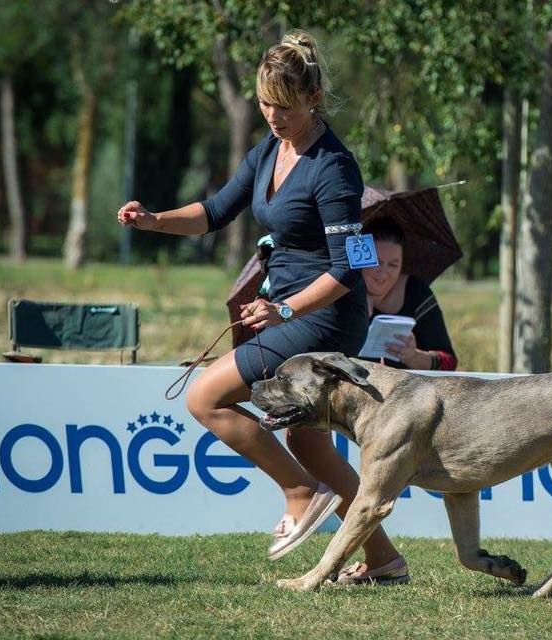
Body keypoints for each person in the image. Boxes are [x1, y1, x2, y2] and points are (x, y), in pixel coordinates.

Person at [116, 30, 408, 585]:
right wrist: (154, 221)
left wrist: (286, 311)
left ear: (313, 98)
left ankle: (299, 492)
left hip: (324, 317)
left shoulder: (334, 167)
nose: (273, 116)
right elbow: (214, 211)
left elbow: (349, 269)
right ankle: (384, 560)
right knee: (306, 439)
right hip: (288, 312)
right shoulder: (269, 149)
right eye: (265, 104)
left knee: (206, 397)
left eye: (285, 106)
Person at [360, 218, 458, 371]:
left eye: (393, 265)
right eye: (376, 262)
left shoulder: (416, 291)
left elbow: (449, 363)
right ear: (358, 258)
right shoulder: (337, 291)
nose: (383, 273)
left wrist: (413, 357)